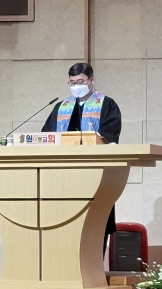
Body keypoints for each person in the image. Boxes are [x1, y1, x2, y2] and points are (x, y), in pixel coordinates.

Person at [41, 62, 121, 254]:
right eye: (72, 82)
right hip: (64, 176)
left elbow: (110, 136)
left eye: (80, 81)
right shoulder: (62, 107)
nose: (76, 86)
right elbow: (47, 135)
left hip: (95, 174)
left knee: (95, 223)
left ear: (91, 80)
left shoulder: (106, 104)